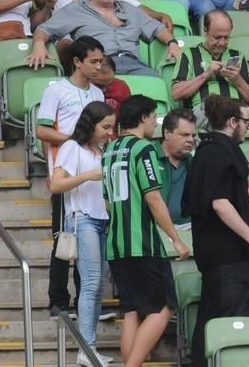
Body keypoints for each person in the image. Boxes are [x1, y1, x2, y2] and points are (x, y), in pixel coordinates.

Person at [101, 95, 190, 367]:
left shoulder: (109, 150)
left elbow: (107, 200)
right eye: (153, 117)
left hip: (116, 244)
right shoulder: (144, 149)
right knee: (165, 306)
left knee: (132, 311)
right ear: (142, 118)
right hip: (143, 243)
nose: (155, 123)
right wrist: (176, 239)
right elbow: (153, 197)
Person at [184, 95, 249, 365]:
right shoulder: (222, 152)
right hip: (229, 256)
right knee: (234, 323)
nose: (247, 127)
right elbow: (220, 203)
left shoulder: (205, 151)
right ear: (233, 122)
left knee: (209, 321)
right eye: (245, 121)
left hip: (211, 256)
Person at [35, 36, 106, 318]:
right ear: (77, 62)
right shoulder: (57, 90)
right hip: (65, 171)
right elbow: (41, 130)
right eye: (94, 61)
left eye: (101, 61)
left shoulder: (98, 94)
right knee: (63, 237)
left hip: (92, 172)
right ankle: (58, 300)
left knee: (89, 238)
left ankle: (84, 302)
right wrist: (75, 141)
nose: (100, 67)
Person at [46, 99, 116, 364]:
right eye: (105, 127)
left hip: (102, 219)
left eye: (112, 127)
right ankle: (86, 348)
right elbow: (55, 185)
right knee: (90, 283)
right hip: (81, 217)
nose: (109, 132)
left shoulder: (101, 149)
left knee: (98, 286)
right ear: (92, 125)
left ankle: (90, 346)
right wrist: (88, 175)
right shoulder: (71, 147)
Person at [29, 0, 183, 78]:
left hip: (134, 65)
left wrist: (172, 43)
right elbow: (43, 29)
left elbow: (158, 29)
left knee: (158, 84)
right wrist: (38, 45)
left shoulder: (129, 9)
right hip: (99, 69)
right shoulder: (76, 10)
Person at [170, 10, 249, 117]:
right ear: (205, 31)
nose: (222, 43)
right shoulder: (189, 54)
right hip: (206, 109)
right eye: (217, 37)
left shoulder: (237, 56)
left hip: (235, 108)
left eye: (226, 37)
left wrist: (237, 79)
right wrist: (206, 75)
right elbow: (176, 93)